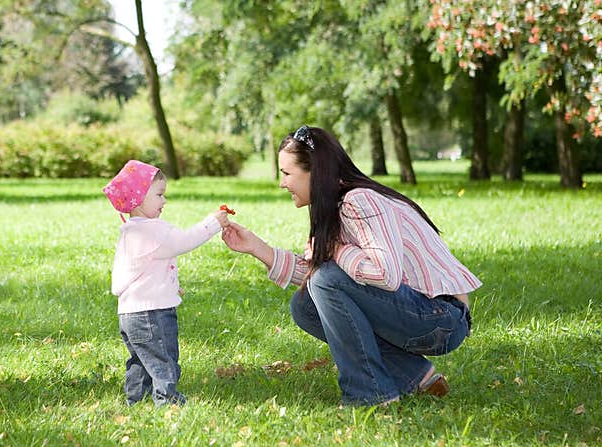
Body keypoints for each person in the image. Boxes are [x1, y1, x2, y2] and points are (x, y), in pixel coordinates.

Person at [221, 126, 481, 407]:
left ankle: (369, 394)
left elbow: (386, 275)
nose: (282, 184)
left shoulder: (359, 201)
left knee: (324, 281)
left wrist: (335, 249)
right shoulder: (335, 206)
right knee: (305, 306)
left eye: (286, 174)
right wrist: (257, 247)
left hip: (442, 318)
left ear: (315, 172)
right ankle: (416, 376)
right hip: (418, 313)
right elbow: (321, 278)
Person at [103, 159, 230, 407]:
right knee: (164, 360)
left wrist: (170, 286)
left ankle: (136, 401)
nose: (164, 201)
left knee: (141, 360)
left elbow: (140, 272)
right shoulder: (150, 231)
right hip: (152, 314)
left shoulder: (131, 231)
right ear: (138, 199)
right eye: (159, 195)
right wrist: (214, 222)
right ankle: (168, 402)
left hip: (131, 314)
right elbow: (184, 241)